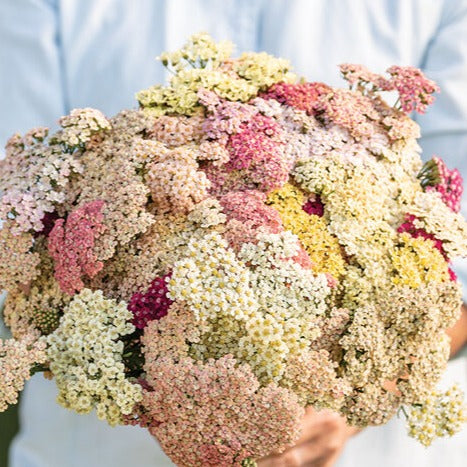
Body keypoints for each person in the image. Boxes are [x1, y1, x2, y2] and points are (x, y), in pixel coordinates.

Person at [1, 1, 467, 466]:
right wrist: (170, 400)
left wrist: (359, 393)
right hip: (102, 446)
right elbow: (15, 206)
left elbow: (458, 250)